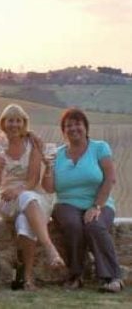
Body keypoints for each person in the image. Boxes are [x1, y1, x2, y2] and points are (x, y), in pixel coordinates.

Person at [43, 108, 123, 292]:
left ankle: (112, 278)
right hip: (66, 203)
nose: (73, 128)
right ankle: (75, 276)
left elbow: (109, 178)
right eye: (68, 125)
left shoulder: (100, 147)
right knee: (73, 225)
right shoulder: (57, 154)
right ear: (63, 131)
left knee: (94, 225)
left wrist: (96, 206)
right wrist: (47, 167)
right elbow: (49, 188)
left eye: (77, 124)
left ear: (86, 127)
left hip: (99, 202)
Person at [0, 104, 64, 291]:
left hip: (32, 198)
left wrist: (18, 190)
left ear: (24, 123)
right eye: (10, 120)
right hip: (6, 200)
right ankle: (50, 248)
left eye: (18, 120)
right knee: (26, 199)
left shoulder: (33, 144)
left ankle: (28, 279)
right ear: (3, 123)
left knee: (24, 221)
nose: (14, 124)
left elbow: (32, 180)